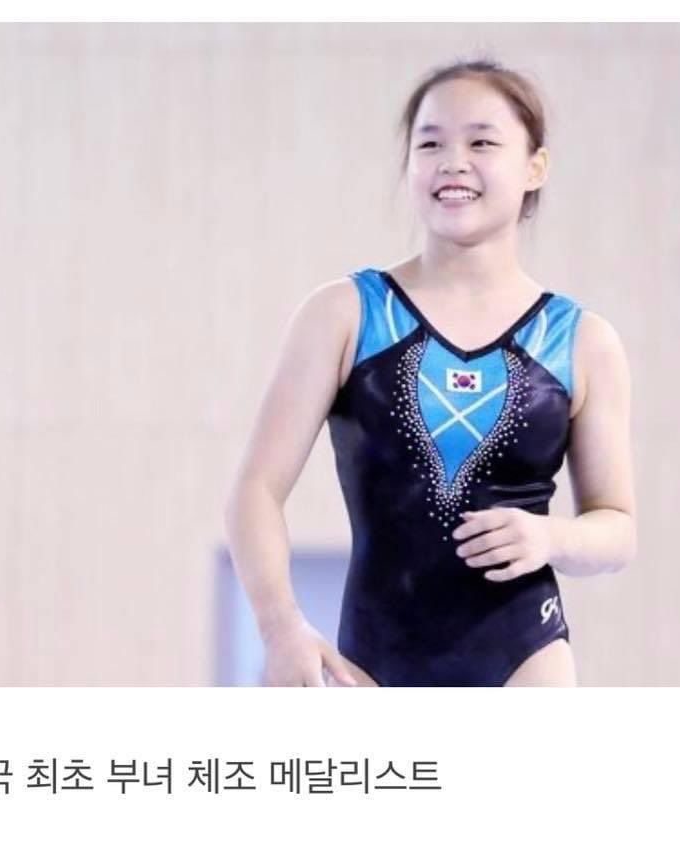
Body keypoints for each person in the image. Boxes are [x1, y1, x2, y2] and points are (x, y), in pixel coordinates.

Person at [224, 57, 637, 687]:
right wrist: (280, 627)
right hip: (373, 660)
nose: (453, 162)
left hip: (525, 658)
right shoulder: (345, 315)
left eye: (482, 143)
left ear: (535, 167)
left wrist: (550, 537)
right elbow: (254, 490)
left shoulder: (581, 341)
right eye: (431, 143)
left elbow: (617, 528)